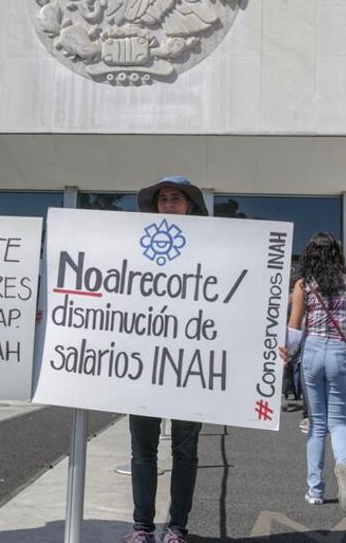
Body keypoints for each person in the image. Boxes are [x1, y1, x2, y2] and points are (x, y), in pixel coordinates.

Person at [124, 175, 208, 543]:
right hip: (145, 366)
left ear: (190, 206)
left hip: (191, 366)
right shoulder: (136, 249)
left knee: (185, 452)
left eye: (176, 198)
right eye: (163, 199)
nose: (168, 204)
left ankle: (176, 527)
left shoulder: (211, 249)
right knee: (142, 450)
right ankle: (142, 526)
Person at [285, 233, 346, 516]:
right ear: (337, 253)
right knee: (339, 422)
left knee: (316, 425)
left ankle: (315, 490)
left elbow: (295, 327)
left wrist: (286, 354)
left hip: (312, 352)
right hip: (341, 353)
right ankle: (344, 464)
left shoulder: (303, 285)